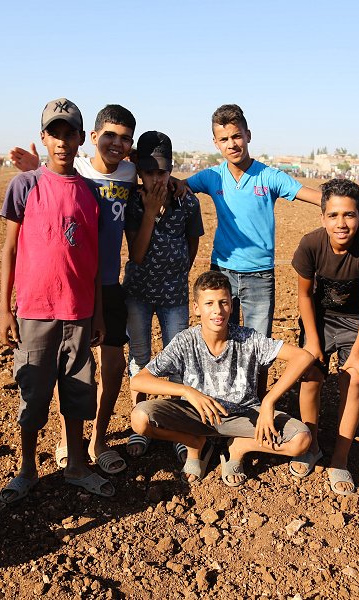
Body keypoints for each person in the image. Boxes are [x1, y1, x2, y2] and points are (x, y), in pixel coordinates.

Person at [179, 104, 359, 339]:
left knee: (258, 346)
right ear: (216, 143)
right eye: (224, 139)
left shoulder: (270, 176)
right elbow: (177, 187)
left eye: (237, 136)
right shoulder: (211, 177)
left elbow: (319, 197)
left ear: (248, 135)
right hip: (222, 271)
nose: (232, 144)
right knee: (220, 339)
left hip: (259, 276)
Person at [10, 105, 137, 475]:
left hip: (101, 290)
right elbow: (48, 175)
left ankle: (92, 445)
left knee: (98, 375)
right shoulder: (61, 175)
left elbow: (152, 168)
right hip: (53, 297)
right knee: (46, 384)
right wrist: (34, 165)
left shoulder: (121, 177)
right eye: (108, 135)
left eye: (124, 138)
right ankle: (47, 457)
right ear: (92, 138)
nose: (115, 143)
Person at [0, 97, 113, 500]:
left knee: (79, 390)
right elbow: (9, 250)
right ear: (43, 138)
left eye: (70, 134)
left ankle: (77, 465)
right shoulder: (25, 186)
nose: (63, 142)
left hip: (79, 312)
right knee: (34, 390)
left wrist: (97, 313)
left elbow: (94, 261)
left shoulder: (89, 195)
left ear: (82, 138)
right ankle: (27, 467)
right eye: (55, 134)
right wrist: (3, 309)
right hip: (35, 312)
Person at [129, 271, 315, 486]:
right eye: (209, 303)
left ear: (231, 306)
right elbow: (138, 380)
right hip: (196, 416)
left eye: (223, 302)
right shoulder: (185, 341)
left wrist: (269, 401)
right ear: (197, 308)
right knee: (140, 419)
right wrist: (187, 391)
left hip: (244, 415)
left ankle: (239, 447)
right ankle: (194, 444)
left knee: (301, 441)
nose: (217, 311)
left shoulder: (248, 338)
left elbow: (303, 357)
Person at [290, 178, 359, 495]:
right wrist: (312, 342)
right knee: (310, 375)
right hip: (319, 318)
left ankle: (340, 459)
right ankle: (311, 444)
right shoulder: (310, 244)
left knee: (355, 379)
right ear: (322, 217)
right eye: (333, 215)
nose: (341, 223)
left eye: (349, 215)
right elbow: (304, 296)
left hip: (356, 322)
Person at [123, 131, 204, 460]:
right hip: (139, 293)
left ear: (171, 169)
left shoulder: (187, 200)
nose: (157, 178)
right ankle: (139, 423)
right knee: (140, 359)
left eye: (163, 171)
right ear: (139, 171)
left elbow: (193, 239)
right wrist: (151, 211)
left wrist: (182, 269)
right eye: (150, 172)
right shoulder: (132, 201)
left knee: (178, 362)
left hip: (174, 295)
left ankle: (176, 427)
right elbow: (137, 254)